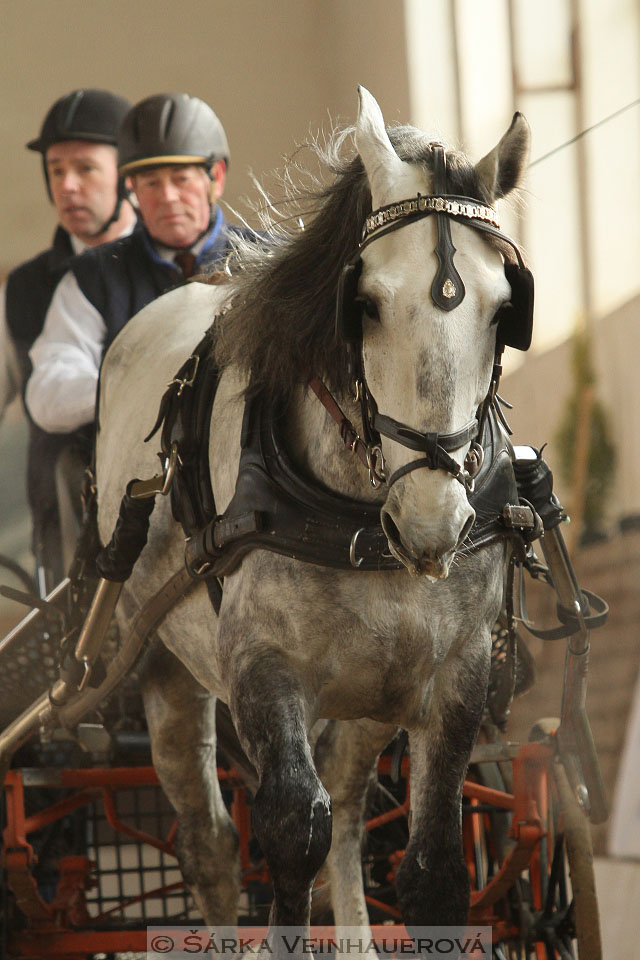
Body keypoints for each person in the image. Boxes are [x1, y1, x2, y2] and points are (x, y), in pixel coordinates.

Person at [26, 92, 247, 439]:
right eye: (151, 183)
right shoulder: (93, 276)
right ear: (131, 188)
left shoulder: (269, 259)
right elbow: (48, 394)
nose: (168, 196)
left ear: (216, 177)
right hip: (135, 479)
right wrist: (143, 383)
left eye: (181, 178)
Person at [0, 89, 136, 592]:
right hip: (65, 543)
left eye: (86, 168)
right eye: (57, 171)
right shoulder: (25, 288)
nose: (68, 186)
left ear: (126, 174)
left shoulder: (170, 268)